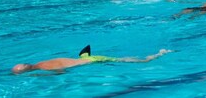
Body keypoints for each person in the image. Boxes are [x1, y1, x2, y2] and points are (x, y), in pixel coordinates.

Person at [12, 45, 170, 74]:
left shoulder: (44, 68)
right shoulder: (41, 63)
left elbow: (62, 72)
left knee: (140, 61)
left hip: (93, 60)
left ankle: (160, 53)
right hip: (83, 57)